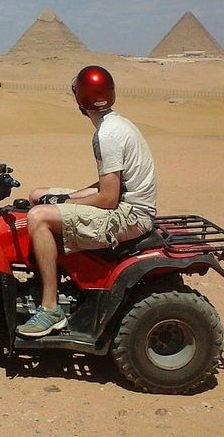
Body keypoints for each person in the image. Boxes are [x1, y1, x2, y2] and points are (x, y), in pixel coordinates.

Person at [16, 65, 157, 338]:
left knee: (37, 217)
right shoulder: (118, 123)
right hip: (125, 202)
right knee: (37, 195)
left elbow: (107, 198)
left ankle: (50, 308)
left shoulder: (107, 135)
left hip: (130, 215)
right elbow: (111, 183)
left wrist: (62, 205)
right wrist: (65, 198)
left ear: (81, 99)